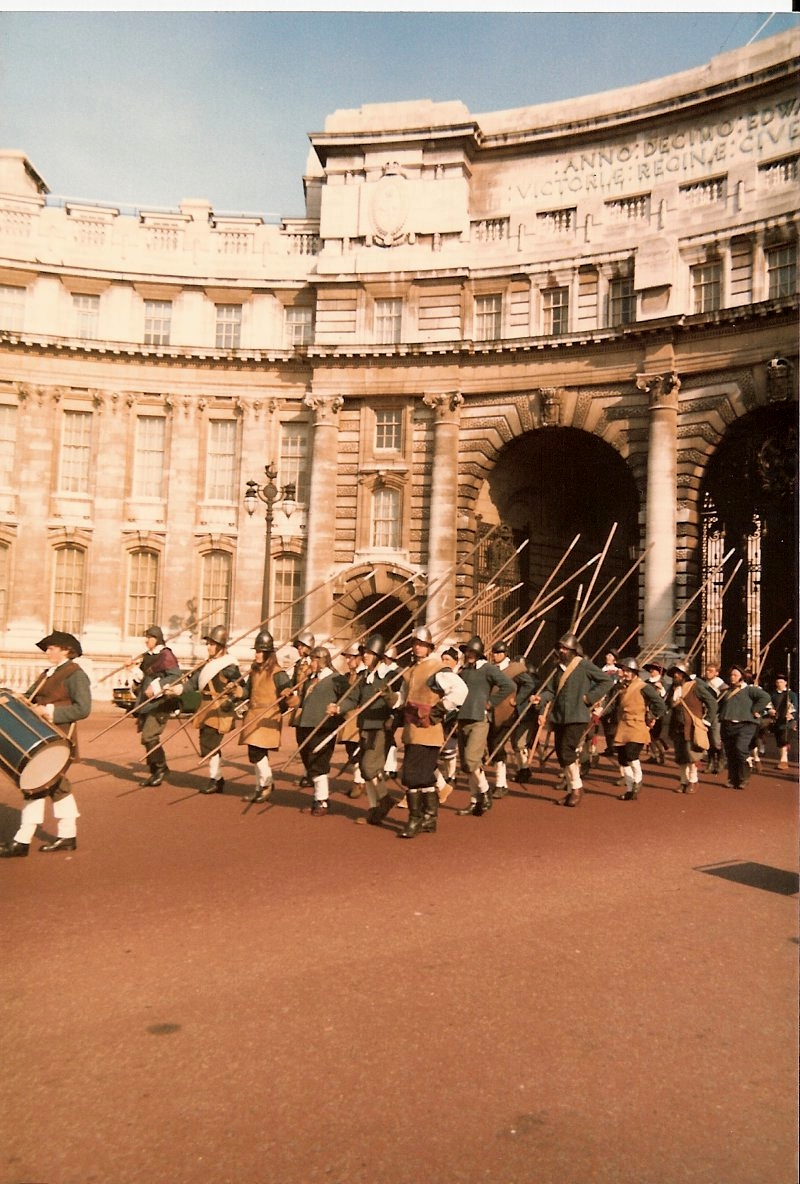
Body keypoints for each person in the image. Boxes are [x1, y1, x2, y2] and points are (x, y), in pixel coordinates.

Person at [1, 631, 91, 857]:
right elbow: (30, 698)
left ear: (66, 650)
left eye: (51, 648)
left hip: (56, 738)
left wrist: (50, 711)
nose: (47, 652)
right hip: (39, 736)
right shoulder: (49, 673)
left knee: (37, 785)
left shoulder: (75, 674)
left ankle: (23, 841)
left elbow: (83, 708)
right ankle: (66, 836)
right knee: (51, 785)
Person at [329, 633, 405, 826]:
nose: (365, 656)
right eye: (364, 653)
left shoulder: (391, 676)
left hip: (380, 727)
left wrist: (388, 697)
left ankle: (385, 799)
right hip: (364, 727)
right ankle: (374, 808)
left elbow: (399, 700)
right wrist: (338, 708)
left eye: (369, 653)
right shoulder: (364, 677)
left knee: (370, 767)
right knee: (365, 769)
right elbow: (353, 698)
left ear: (378, 656)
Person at [533, 633, 615, 807]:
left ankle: (577, 788)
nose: (562, 651)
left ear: (572, 650)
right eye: (560, 648)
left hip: (577, 716)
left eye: (565, 648)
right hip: (559, 716)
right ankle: (571, 789)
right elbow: (551, 690)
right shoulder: (557, 669)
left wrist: (589, 698)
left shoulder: (583, 665)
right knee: (561, 754)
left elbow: (606, 682)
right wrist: (541, 698)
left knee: (567, 751)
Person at [394, 625, 452, 838]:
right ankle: (429, 817)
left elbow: (460, 691)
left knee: (411, 776)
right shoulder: (410, 671)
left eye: (422, 644)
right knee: (425, 777)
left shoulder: (438, 669)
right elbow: (402, 698)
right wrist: (390, 699)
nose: (417, 648)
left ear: (429, 647)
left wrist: (438, 710)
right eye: (415, 644)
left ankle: (415, 818)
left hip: (429, 731)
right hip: (412, 730)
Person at [454, 636, 516, 818]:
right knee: (467, 765)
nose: (469, 655)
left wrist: (491, 702)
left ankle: (485, 790)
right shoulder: (464, 671)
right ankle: (475, 801)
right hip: (463, 718)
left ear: (479, 654)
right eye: (467, 652)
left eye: (472, 652)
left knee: (472, 759)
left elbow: (508, 685)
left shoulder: (488, 669)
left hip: (479, 719)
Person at [178, 626, 244, 794]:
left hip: (219, 708)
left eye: (212, 644)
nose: (208, 647)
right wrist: (177, 690)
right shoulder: (207, 665)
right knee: (206, 743)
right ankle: (217, 778)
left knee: (210, 744)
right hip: (205, 707)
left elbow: (242, 687)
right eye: (208, 644)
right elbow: (192, 683)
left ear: (220, 646)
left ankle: (216, 779)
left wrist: (232, 693)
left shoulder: (229, 666)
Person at [238, 630, 292, 803]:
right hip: (253, 715)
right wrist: (236, 690)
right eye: (256, 651)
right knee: (254, 753)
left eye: (260, 651)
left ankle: (267, 784)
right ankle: (259, 786)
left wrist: (287, 693)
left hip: (268, 715)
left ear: (268, 653)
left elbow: (288, 692)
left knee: (258, 752)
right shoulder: (254, 671)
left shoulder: (278, 672)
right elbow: (247, 692)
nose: (257, 654)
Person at [293, 646, 348, 815]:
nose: (311, 663)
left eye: (314, 660)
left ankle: (322, 800)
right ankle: (318, 797)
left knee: (319, 762)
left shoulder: (337, 679)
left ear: (323, 660)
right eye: (311, 659)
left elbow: (347, 698)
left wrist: (338, 710)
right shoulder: (310, 679)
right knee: (309, 761)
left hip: (324, 726)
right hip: (305, 724)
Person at [130, 625, 181, 787]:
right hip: (146, 703)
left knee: (149, 736)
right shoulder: (147, 656)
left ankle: (160, 769)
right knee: (147, 738)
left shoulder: (166, 655)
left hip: (160, 703)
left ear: (157, 639)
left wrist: (156, 687)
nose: (146, 640)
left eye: (149, 637)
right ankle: (157, 770)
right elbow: (142, 677)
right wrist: (132, 669)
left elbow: (175, 677)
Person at [610, 656, 667, 800]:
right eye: (624, 670)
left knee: (631, 754)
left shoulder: (644, 687)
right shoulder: (620, 687)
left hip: (637, 724)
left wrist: (652, 716)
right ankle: (630, 789)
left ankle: (638, 779)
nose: (625, 673)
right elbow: (613, 705)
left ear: (635, 672)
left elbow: (660, 705)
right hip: (623, 725)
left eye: (628, 671)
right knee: (622, 759)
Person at [665, 661, 717, 794]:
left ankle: (693, 780)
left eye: (678, 673)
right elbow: (667, 704)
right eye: (674, 673)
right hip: (677, 727)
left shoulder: (695, 687)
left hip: (691, 727)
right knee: (680, 757)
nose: (675, 675)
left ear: (684, 674)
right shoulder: (673, 689)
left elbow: (712, 702)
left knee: (691, 756)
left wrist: (707, 721)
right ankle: (683, 781)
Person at [717, 664, 772, 790]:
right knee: (730, 753)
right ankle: (732, 779)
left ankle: (744, 778)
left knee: (740, 749)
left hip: (745, 725)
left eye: (735, 675)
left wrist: (755, 709)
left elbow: (765, 697)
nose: (732, 677)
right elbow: (718, 706)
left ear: (741, 677)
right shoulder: (726, 691)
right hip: (727, 725)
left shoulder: (750, 690)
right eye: (731, 675)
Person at [486, 640, 526, 797]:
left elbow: (529, 684)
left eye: (499, 653)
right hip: (491, 712)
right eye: (494, 653)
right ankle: (500, 783)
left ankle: (500, 783)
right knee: (492, 746)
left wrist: (518, 699)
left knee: (498, 745)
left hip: (507, 713)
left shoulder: (515, 669)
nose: (496, 656)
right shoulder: (491, 668)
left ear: (505, 654)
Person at [338, 642, 367, 799]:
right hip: (348, 717)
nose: (348, 661)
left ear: (359, 658)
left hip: (361, 717)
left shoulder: (365, 675)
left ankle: (359, 782)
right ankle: (359, 780)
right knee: (351, 749)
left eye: (351, 658)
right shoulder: (348, 676)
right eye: (347, 658)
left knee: (359, 751)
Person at [289, 629, 315, 787]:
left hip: (311, 706)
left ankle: (313, 773)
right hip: (299, 707)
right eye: (298, 646)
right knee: (301, 742)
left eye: (301, 646)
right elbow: (294, 683)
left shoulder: (316, 663)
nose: (299, 649)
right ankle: (308, 771)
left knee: (311, 742)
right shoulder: (298, 664)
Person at [512, 656, 540, 784]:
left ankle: (524, 769)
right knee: (515, 744)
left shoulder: (532, 682)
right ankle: (521, 769)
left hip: (527, 716)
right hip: (516, 716)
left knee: (520, 744)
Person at [701, 662, 728, 775]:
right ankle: (711, 762)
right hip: (705, 714)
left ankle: (721, 759)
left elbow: (725, 701)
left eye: (711, 671)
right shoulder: (703, 684)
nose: (708, 673)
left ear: (716, 673)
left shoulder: (722, 686)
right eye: (707, 670)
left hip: (716, 715)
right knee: (708, 740)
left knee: (716, 740)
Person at [641, 660, 669, 765]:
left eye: (655, 669)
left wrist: (661, 689)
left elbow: (666, 698)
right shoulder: (646, 682)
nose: (652, 671)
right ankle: (654, 755)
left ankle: (661, 753)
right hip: (647, 710)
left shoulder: (663, 683)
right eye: (651, 669)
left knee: (655, 734)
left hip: (657, 712)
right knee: (648, 735)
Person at [769, 674, 797, 769]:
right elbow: (769, 705)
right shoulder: (773, 695)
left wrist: (792, 715)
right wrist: (770, 711)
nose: (779, 684)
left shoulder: (791, 694)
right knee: (779, 740)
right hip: (777, 720)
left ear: (785, 683)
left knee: (784, 738)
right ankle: (784, 759)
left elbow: (795, 706)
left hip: (788, 721)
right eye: (777, 682)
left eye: (781, 682)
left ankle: (783, 761)